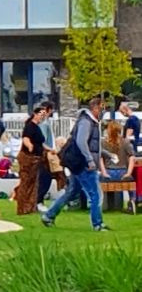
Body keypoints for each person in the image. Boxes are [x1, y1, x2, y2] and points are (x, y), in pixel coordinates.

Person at [42, 94, 108, 232]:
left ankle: (49, 215)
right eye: (102, 108)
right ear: (95, 108)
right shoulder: (86, 122)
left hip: (78, 163)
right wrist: (90, 160)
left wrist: (106, 154)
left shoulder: (90, 122)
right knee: (96, 194)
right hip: (83, 164)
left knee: (71, 192)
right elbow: (81, 142)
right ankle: (98, 224)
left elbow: (93, 145)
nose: (104, 112)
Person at [13, 99, 51, 218]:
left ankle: (31, 206)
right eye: (41, 115)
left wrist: (50, 149)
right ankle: (22, 207)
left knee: (34, 183)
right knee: (26, 182)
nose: (42, 117)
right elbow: (26, 138)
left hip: (36, 158)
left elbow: (40, 142)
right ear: (35, 114)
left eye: (44, 115)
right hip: (28, 158)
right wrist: (29, 146)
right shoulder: (30, 126)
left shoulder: (37, 127)